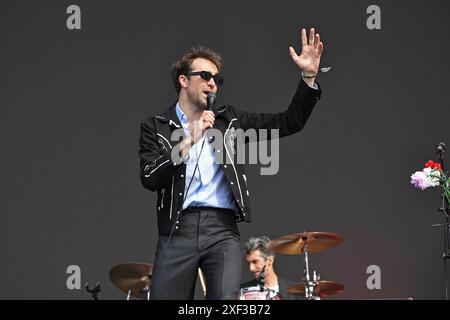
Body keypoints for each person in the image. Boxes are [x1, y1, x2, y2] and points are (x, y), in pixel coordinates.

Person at [138, 28, 324, 299]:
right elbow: (149, 177)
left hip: (222, 230)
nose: (213, 83)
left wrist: (309, 76)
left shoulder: (230, 122)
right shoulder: (155, 126)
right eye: (205, 76)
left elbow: (288, 122)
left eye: (216, 78)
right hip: (177, 230)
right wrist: (189, 140)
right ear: (183, 80)